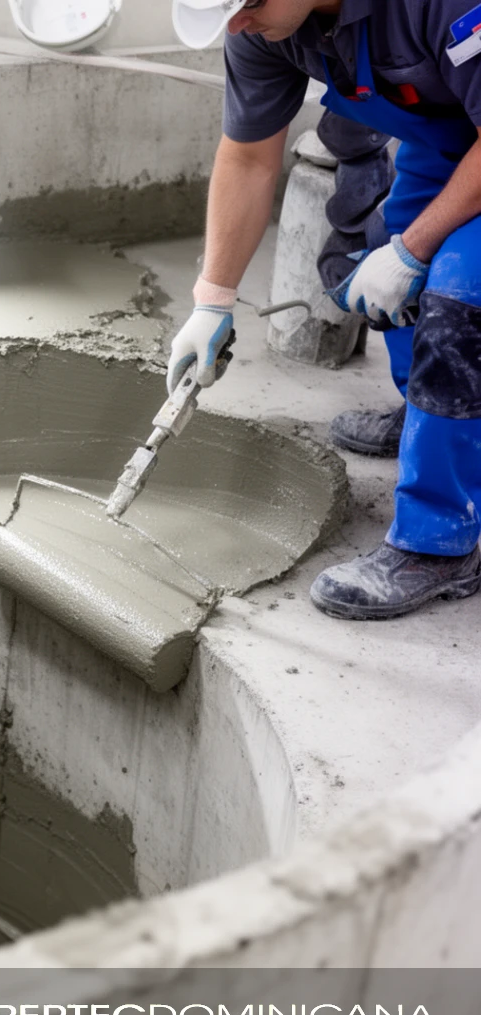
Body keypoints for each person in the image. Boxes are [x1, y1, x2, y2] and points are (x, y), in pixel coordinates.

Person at [169, 0, 481, 620]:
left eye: (247, 4)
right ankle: (435, 419)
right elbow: (249, 158)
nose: (236, 24)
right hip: (449, 142)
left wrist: (416, 251)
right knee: (378, 255)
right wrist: (212, 300)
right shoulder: (262, 27)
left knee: (456, 300)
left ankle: (441, 543)